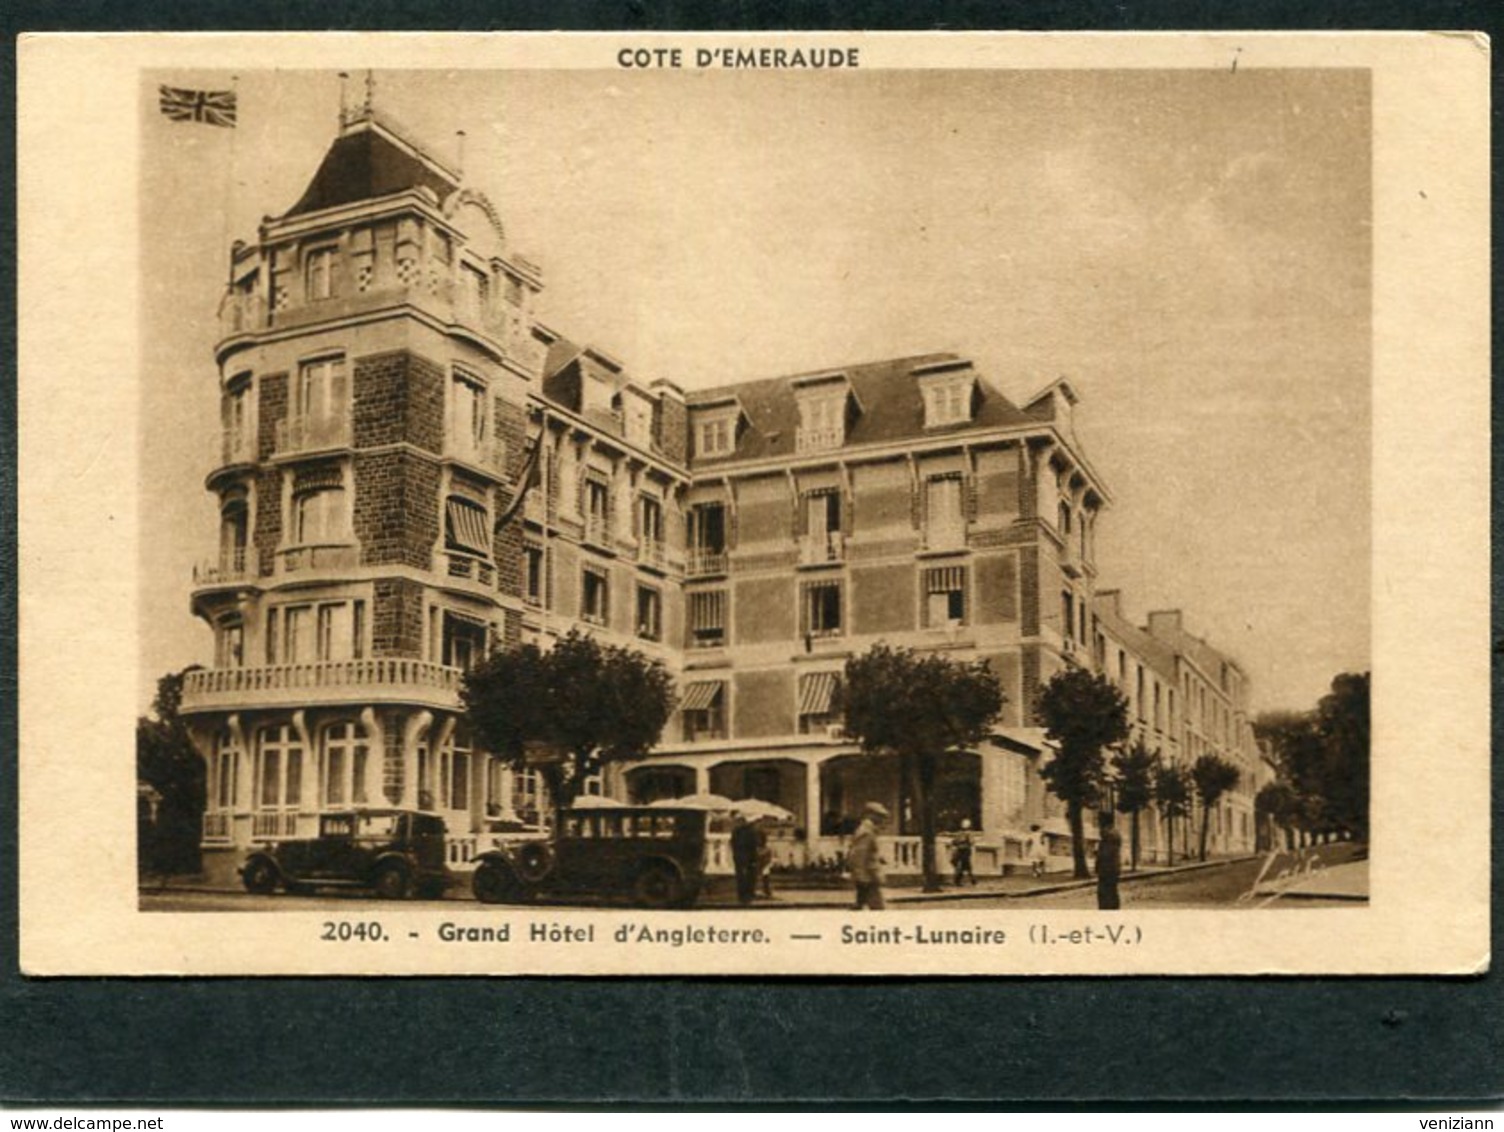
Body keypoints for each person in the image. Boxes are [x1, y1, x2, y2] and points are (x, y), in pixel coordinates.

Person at [847, 801, 889, 910]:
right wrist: (861, 877)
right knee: (878, 909)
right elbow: (858, 856)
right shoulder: (866, 832)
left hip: (870, 876)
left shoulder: (869, 831)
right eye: (879, 816)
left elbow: (867, 852)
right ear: (870, 815)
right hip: (869, 877)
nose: (882, 819)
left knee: (864, 907)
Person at [730, 813, 759, 906]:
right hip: (746, 856)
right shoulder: (750, 832)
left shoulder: (737, 831)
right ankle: (747, 894)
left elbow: (733, 844)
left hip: (741, 856)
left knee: (743, 876)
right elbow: (753, 845)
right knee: (748, 876)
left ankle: (744, 894)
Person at [1096, 811, 1123, 910]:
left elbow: (1106, 853)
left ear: (1104, 821)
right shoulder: (1114, 832)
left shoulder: (1108, 834)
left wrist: (1098, 854)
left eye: (1099, 820)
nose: (1098, 822)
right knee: (1112, 891)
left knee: (1105, 893)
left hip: (1107, 869)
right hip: (1113, 868)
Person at [948, 818, 977, 886]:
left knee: (964, 865)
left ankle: (958, 880)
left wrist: (963, 843)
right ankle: (972, 879)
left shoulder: (969, 834)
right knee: (960, 864)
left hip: (965, 851)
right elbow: (954, 841)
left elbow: (971, 842)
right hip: (959, 851)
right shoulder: (959, 833)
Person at [755, 821, 774, 899]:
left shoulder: (766, 849)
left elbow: (768, 859)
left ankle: (766, 892)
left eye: (760, 839)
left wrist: (766, 865)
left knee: (765, 877)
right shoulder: (755, 849)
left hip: (764, 867)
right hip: (757, 867)